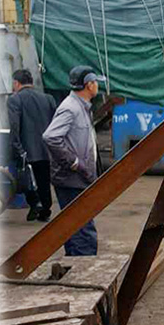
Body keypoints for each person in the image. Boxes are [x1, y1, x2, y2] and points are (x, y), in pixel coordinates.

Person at [42, 65, 103, 256]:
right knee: (82, 230)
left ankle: (75, 264)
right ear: (89, 85)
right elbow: (51, 137)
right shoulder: (71, 108)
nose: (98, 86)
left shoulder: (82, 107)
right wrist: (74, 162)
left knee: (75, 226)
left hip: (79, 178)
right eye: (96, 82)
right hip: (71, 180)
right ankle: (83, 267)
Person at [6, 69, 57, 221]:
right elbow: (55, 123)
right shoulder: (48, 99)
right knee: (44, 180)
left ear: (16, 83)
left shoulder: (14, 100)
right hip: (46, 148)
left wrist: (16, 148)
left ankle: (35, 203)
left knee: (23, 180)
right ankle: (45, 208)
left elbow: (14, 126)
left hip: (25, 149)